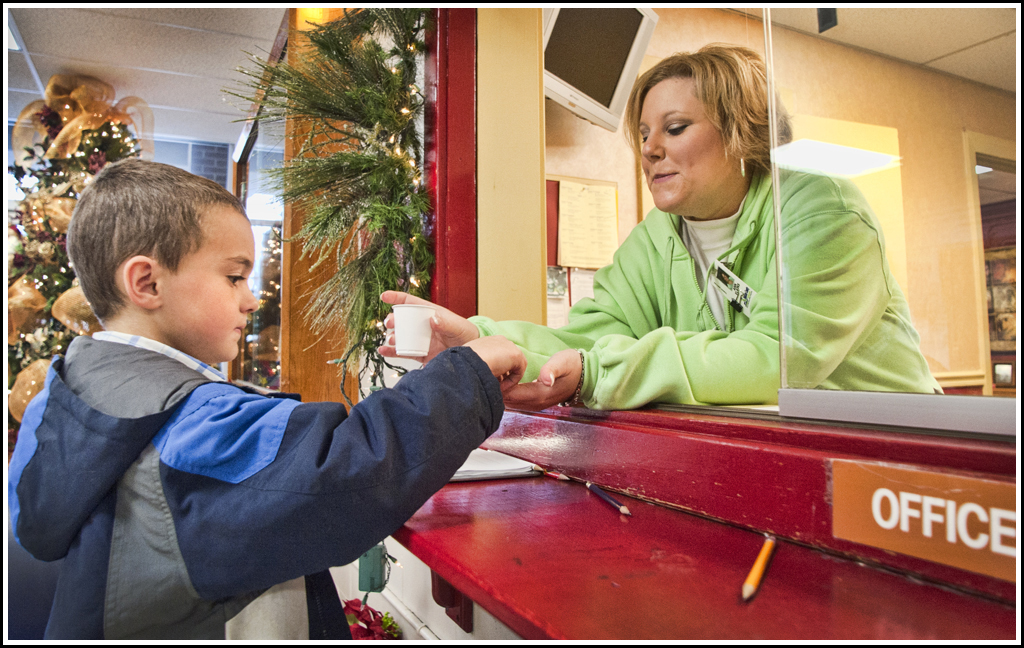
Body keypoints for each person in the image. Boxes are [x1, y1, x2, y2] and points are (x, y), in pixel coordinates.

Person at [7, 159, 526, 640]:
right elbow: (341, 474)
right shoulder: (187, 424)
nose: (251, 298)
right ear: (146, 281)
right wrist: (468, 374)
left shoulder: (63, 396)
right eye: (234, 276)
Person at [380, 44, 939, 410]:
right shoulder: (657, 238)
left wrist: (601, 374)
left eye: (674, 127)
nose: (649, 149)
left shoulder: (822, 211)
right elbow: (590, 337)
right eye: (644, 132)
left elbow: (775, 358)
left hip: (897, 464)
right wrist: (481, 340)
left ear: (742, 129)